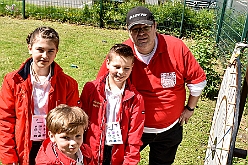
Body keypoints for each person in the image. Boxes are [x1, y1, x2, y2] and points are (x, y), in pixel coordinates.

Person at [97, 6, 207, 165]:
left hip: (169, 129)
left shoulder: (175, 47)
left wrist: (190, 108)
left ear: (155, 26)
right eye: (135, 29)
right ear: (129, 32)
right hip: (132, 129)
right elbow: (101, 85)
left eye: (145, 27)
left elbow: (197, 80)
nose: (141, 33)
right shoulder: (122, 53)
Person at [0, 27, 80, 165]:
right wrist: (9, 157)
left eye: (50, 51)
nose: (45, 56)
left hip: (54, 147)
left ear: (56, 52)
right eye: (40, 50)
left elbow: (72, 123)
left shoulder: (68, 84)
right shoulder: (12, 81)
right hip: (24, 144)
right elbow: (5, 121)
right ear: (30, 48)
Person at [80, 44, 145, 165]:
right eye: (117, 67)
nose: (121, 72)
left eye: (126, 68)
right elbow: (81, 120)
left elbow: (135, 135)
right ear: (108, 63)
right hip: (91, 151)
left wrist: (130, 161)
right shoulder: (91, 88)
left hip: (116, 153)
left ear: (132, 67)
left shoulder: (136, 99)